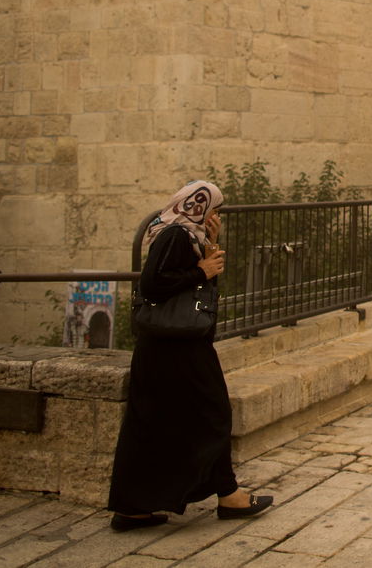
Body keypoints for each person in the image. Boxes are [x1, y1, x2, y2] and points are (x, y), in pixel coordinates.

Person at [108, 181, 274, 532]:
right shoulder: (176, 236)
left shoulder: (187, 235)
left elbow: (188, 278)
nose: (216, 215)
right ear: (197, 206)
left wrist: (210, 250)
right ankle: (227, 494)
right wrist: (202, 270)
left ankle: (135, 508)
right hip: (176, 346)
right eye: (215, 208)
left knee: (158, 421)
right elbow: (152, 284)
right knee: (213, 412)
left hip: (168, 344)